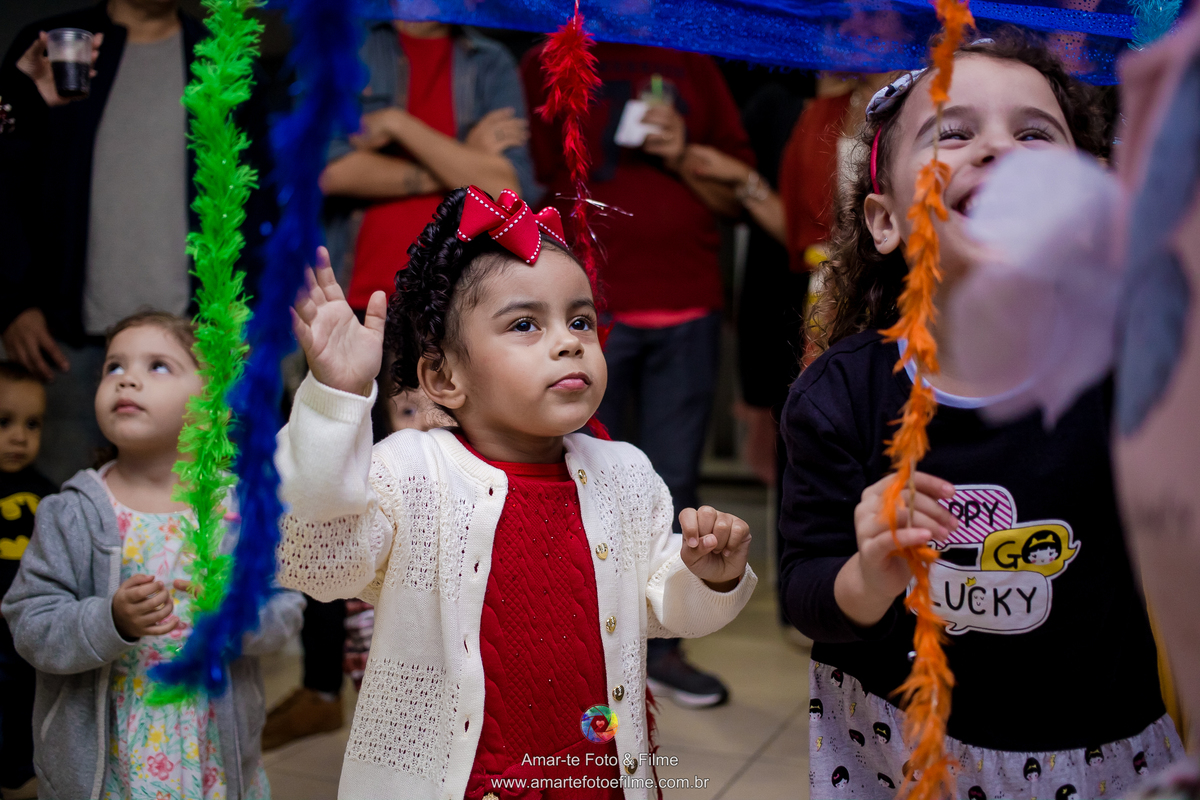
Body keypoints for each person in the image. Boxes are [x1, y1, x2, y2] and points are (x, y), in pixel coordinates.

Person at [779, 32, 1180, 799]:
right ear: (884, 220)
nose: (999, 150)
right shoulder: (839, 397)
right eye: (953, 132)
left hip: (1092, 746)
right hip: (895, 749)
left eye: (1035, 135)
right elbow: (806, 594)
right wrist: (869, 575)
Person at [275, 187, 757, 800]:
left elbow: (660, 606)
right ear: (444, 376)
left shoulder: (624, 474)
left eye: (580, 319)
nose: (568, 341)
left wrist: (707, 577)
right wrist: (335, 399)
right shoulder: (411, 472)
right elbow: (316, 561)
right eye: (526, 324)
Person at [522, 41, 756, 708]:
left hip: (688, 303)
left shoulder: (692, 53)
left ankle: (662, 647)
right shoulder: (554, 51)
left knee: (675, 481)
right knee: (574, 476)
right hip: (585, 310)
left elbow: (738, 189)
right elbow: (527, 179)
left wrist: (682, 151)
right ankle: (576, 643)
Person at [2, 311, 304, 800]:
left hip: (214, 759)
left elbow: (286, 608)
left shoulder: (239, 510)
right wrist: (110, 620)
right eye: (114, 367)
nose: (128, 379)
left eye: (158, 366)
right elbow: (29, 622)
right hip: (109, 768)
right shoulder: (72, 513)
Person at [0, 0, 275, 485]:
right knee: (56, 507)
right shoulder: (50, 45)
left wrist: (239, 315)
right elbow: (4, 182)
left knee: (189, 514)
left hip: (192, 344)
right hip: (63, 343)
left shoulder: (223, 55)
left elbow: (258, 197)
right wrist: (13, 301)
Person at [320, 19, 537, 311]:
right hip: (352, 302)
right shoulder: (350, 48)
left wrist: (398, 124)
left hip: (454, 307)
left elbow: (507, 190)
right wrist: (464, 160)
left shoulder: (490, 62)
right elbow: (329, 173)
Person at [0, 362, 55, 800]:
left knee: (23, 700)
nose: (20, 436)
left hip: (26, 630)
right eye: (4, 422)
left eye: (32, 424)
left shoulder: (49, 495)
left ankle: (21, 765)